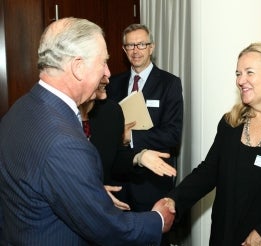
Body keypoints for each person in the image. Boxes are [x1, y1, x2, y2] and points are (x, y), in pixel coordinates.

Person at [0, 17, 175, 245]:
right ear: (78, 67)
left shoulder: (20, 108)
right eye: (103, 62)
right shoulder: (65, 142)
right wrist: (158, 220)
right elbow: (108, 229)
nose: (108, 73)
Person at [161, 42, 261, 246]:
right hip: (224, 235)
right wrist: (174, 199)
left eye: (249, 72)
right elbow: (208, 172)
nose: (241, 80)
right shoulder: (230, 123)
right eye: (238, 73)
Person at [106, 24, 183, 213]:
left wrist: (130, 137)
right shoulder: (111, 84)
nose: (136, 51)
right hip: (120, 182)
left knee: (154, 239)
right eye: (130, 46)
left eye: (141, 44)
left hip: (152, 183)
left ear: (152, 47)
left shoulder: (169, 83)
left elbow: (172, 135)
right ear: (124, 50)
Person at [78, 76, 177, 210]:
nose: (108, 76)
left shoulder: (110, 112)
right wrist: (92, 191)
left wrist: (139, 157)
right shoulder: (58, 114)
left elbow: (115, 158)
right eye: (102, 65)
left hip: (104, 207)